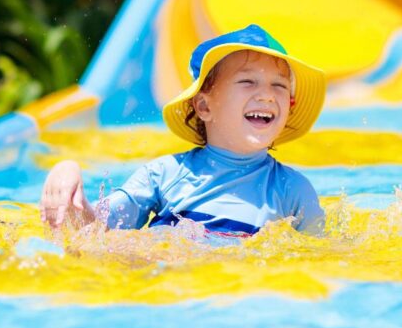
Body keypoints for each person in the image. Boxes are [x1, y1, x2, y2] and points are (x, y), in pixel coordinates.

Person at [40, 24, 327, 236]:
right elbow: (94, 233)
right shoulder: (165, 175)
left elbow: (320, 259)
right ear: (204, 107)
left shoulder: (292, 191)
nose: (267, 95)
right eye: (247, 82)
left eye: (279, 85)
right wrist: (66, 176)